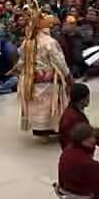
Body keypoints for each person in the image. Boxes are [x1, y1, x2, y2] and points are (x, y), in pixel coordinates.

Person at [15, 9, 71, 139]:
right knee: (49, 106)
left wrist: (21, 73)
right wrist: (67, 75)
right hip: (48, 78)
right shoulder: (49, 42)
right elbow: (59, 61)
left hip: (31, 79)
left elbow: (21, 61)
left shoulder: (26, 42)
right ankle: (50, 128)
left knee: (38, 104)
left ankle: (40, 128)